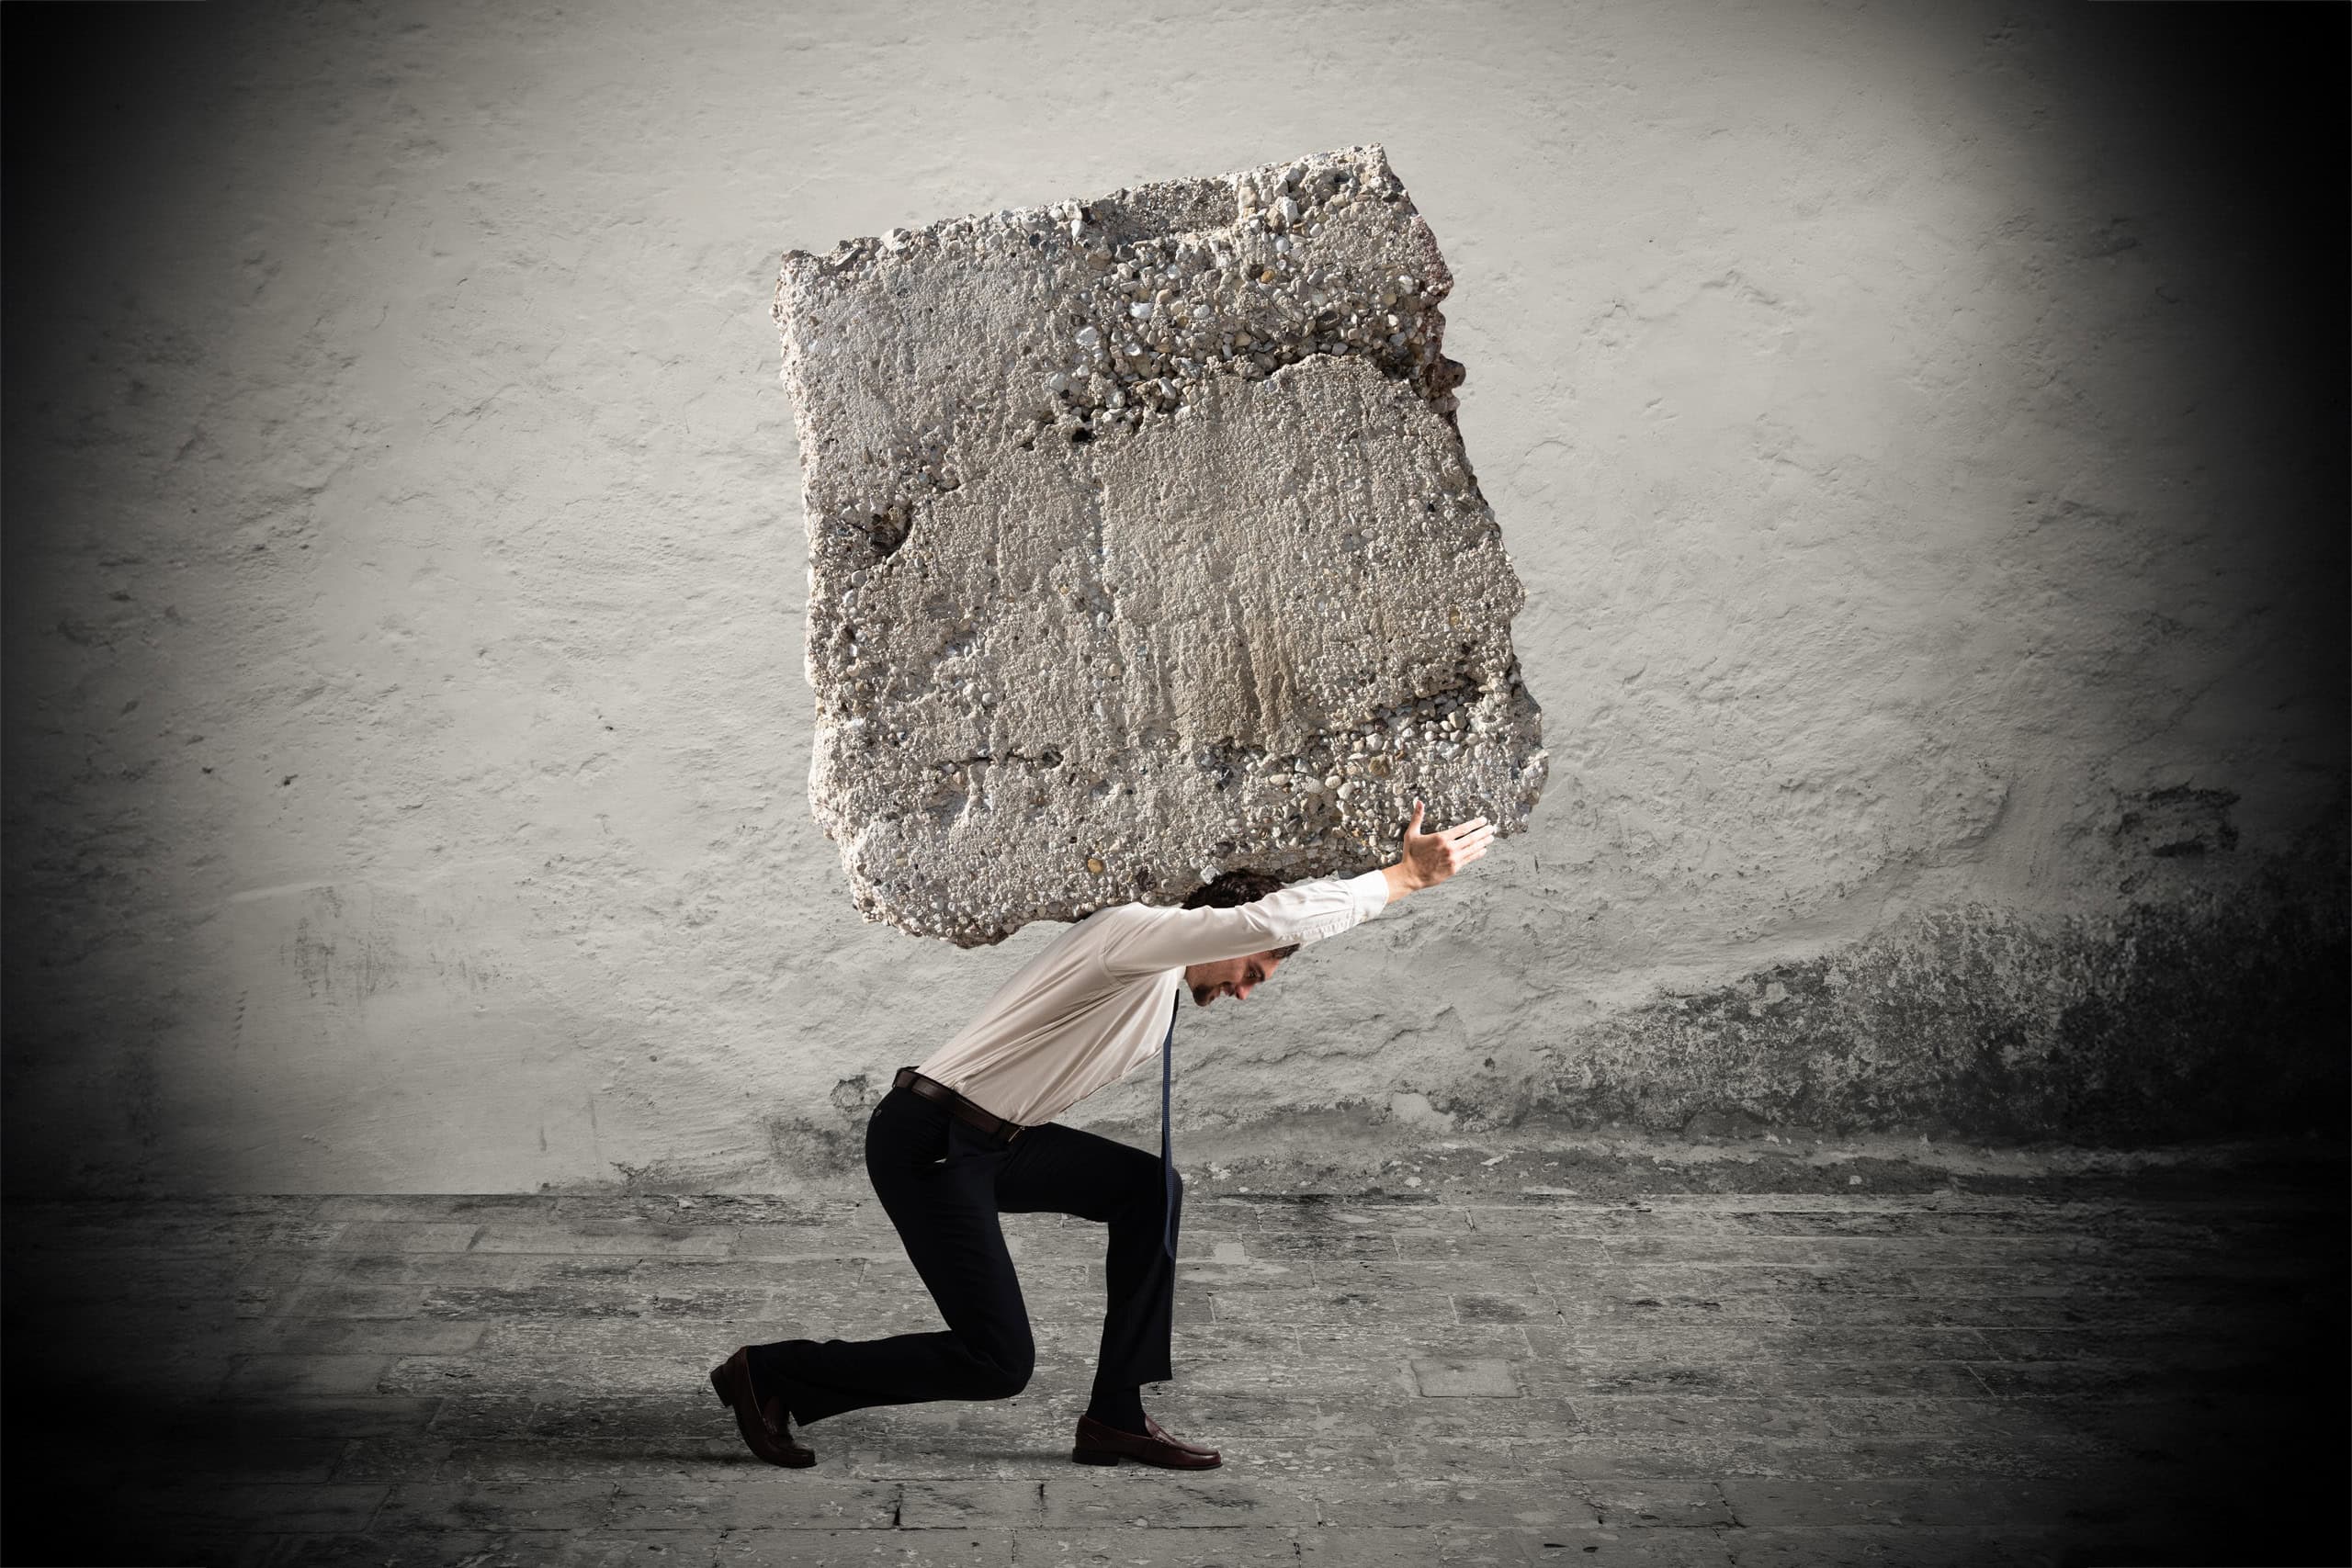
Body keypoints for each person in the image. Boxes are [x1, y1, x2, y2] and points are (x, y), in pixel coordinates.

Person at [710, 799, 1496, 1470]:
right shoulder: (1136, 935)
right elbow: (1263, 916)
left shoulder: (1156, 985)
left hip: (996, 1140)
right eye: (1251, 972)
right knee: (998, 1362)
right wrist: (1400, 880)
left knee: (1148, 1188)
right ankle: (775, 1372)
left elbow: (1261, 926)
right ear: (1218, 934)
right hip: (932, 1140)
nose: (1245, 993)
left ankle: (1115, 1414)